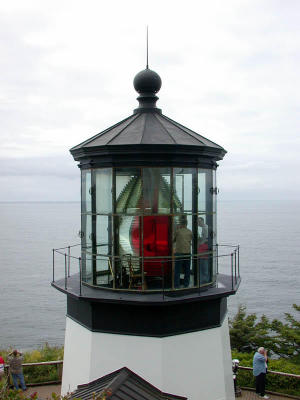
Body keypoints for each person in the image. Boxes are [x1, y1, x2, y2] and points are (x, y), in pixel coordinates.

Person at [174, 218, 193, 288]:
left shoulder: (178, 231)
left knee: (177, 270)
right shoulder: (190, 231)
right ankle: (186, 284)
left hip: (179, 252)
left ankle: (176, 285)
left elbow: (173, 240)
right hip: (188, 252)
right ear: (186, 224)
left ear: (181, 224)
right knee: (187, 269)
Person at [198, 217, 209, 284]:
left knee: (203, 263)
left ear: (202, 221)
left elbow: (205, 239)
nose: (198, 223)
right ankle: (204, 278)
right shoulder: (205, 227)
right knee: (203, 263)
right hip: (204, 248)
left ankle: (203, 280)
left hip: (203, 248)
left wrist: (200, 243)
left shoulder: (205, 228)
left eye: (199, 222)